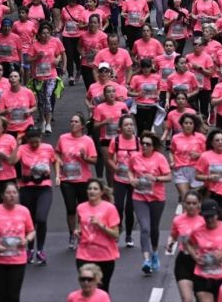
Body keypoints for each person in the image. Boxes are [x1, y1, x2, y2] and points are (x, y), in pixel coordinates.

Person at [0, 181, 35, 302]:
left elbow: (32, 231)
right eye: (8, 193)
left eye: (14, 192)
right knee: (0, 297)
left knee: (13, 296)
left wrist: (27, 240)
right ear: (2, 195)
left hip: (18, 259)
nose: (12, 195)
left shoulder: (24, 211)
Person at [128, 131, 172, 275]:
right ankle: (146, 260)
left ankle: (154, 253)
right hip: (139, 197)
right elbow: (130, 170)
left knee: (154, 228)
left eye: (148, 144)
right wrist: (131, 179)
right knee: (145, 228)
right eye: (143, 144)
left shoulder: (159, 158)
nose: (144, 146)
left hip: (157, 198)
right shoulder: (135, 157)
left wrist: (156, 178)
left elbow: (169, 177)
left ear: (153, 146)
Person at [13, 127, 58, 265]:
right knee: (30, 221)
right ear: (27, 140)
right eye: (31, 142)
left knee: (41, 218)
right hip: (27, 188)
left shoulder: (48, 148)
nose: (34, 145)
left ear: (41, 139)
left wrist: (57, 176)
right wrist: (17, 144)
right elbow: (11, 161)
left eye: (36, 142)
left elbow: (55, 160)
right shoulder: (22, 149)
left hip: (44, 187)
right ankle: (30, 250)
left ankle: (40, 250)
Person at [57, 112, 98, 249]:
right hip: (67, 179)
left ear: (82, 126)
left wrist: (84, 157)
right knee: (70, 209)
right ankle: (71, 234)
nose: (73, 124)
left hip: (83, 179)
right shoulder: (63, 138)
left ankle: (81, 233)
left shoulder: (88, 141)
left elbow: (94, 160)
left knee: (82, 209)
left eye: (76, 122)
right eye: (71, 121)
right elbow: (56, 153)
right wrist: (59, 161)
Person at [187, 199, 222, 302]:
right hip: (202, 276)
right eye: (206, 217)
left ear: (218, 214)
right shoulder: (197, 230)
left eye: (212, 216)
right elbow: (188, 243)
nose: (209, 219)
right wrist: (194, 256)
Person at [74, 180, 120, 292]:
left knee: (102, 290)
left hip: (104, 255)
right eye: (89, 189)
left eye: (95, 189)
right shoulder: (81, 207)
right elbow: (80, 226)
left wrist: (101, 225)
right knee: (87, 289)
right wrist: (77, 232)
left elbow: (116, 235)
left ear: (101, 192)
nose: (91, 191)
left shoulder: (109, 208)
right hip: (84, 255)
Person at [166, 190, 205, 302]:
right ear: (183, 204)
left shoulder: (204, 221)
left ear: (199, 204)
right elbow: (173, 235)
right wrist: (170, 243)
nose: (191, 206)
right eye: (188, 203)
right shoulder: (178, 220)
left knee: (200, 298)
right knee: (186, 299)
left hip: (200, 261)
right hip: (184, 261)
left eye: (194, 203)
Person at [106, 115, 139, 247]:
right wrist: (115, 167)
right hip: (119, 179)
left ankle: (129, 235)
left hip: (133, 181)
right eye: (126, 125)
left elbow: (143, 158)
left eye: (131, 124)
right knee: (118, 207)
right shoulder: (116, 141)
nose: (129, 127)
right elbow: (109, 158)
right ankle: (117, 230)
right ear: (120, 128)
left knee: (129, 209)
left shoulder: (138, 141)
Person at [195, 129, 222, 222]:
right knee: (208, 220)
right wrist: (208, 177)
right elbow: (197, 176)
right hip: (210, 193)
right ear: (212, 142)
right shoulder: (205, 156)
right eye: (217, 140)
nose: (220, 142)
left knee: (221, 221)